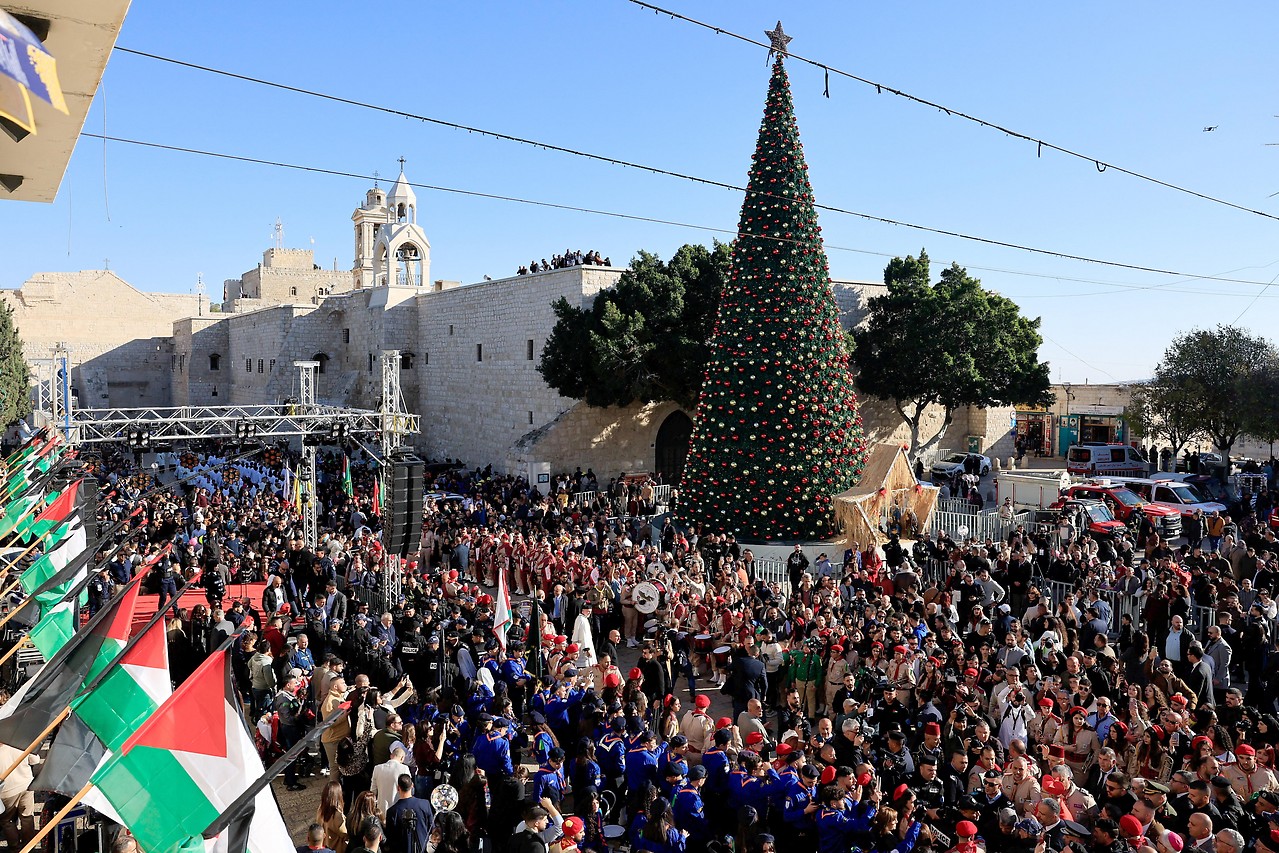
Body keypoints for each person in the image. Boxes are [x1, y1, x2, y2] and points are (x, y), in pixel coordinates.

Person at [385, 773, 433, 853]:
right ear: (412, 785)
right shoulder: (425, 804)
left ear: (398, 788)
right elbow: (431, 828)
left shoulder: (392, 812)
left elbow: (390, 838)